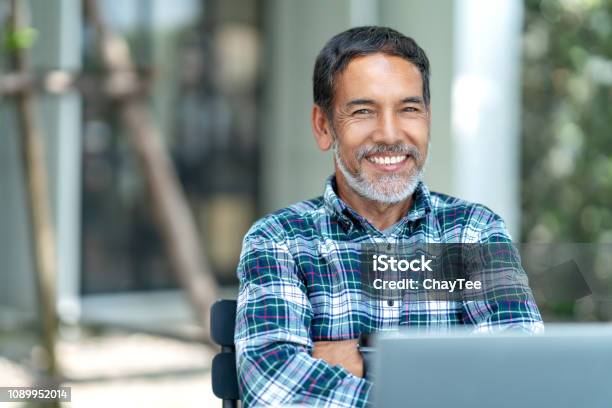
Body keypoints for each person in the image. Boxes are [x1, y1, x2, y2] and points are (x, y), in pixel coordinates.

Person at [234, 26, 543, 407]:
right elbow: (276, 389)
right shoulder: (279, 241)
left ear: (427, 120)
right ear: (323, 126)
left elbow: (519, 378)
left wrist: (364, 358)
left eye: (409, 109)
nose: (389, 133)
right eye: (364, 111)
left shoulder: (474, 232)